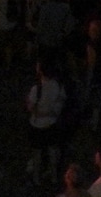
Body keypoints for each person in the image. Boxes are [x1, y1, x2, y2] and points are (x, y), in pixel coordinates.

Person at [26, 58, 66, 187]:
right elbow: (61, 101)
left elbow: (31, 108)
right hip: (52, 123)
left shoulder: (36, 89)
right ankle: (54, 176)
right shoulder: (57, 85)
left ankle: (37, 178)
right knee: (52, 150)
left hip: (37, 125)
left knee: (37, 153)